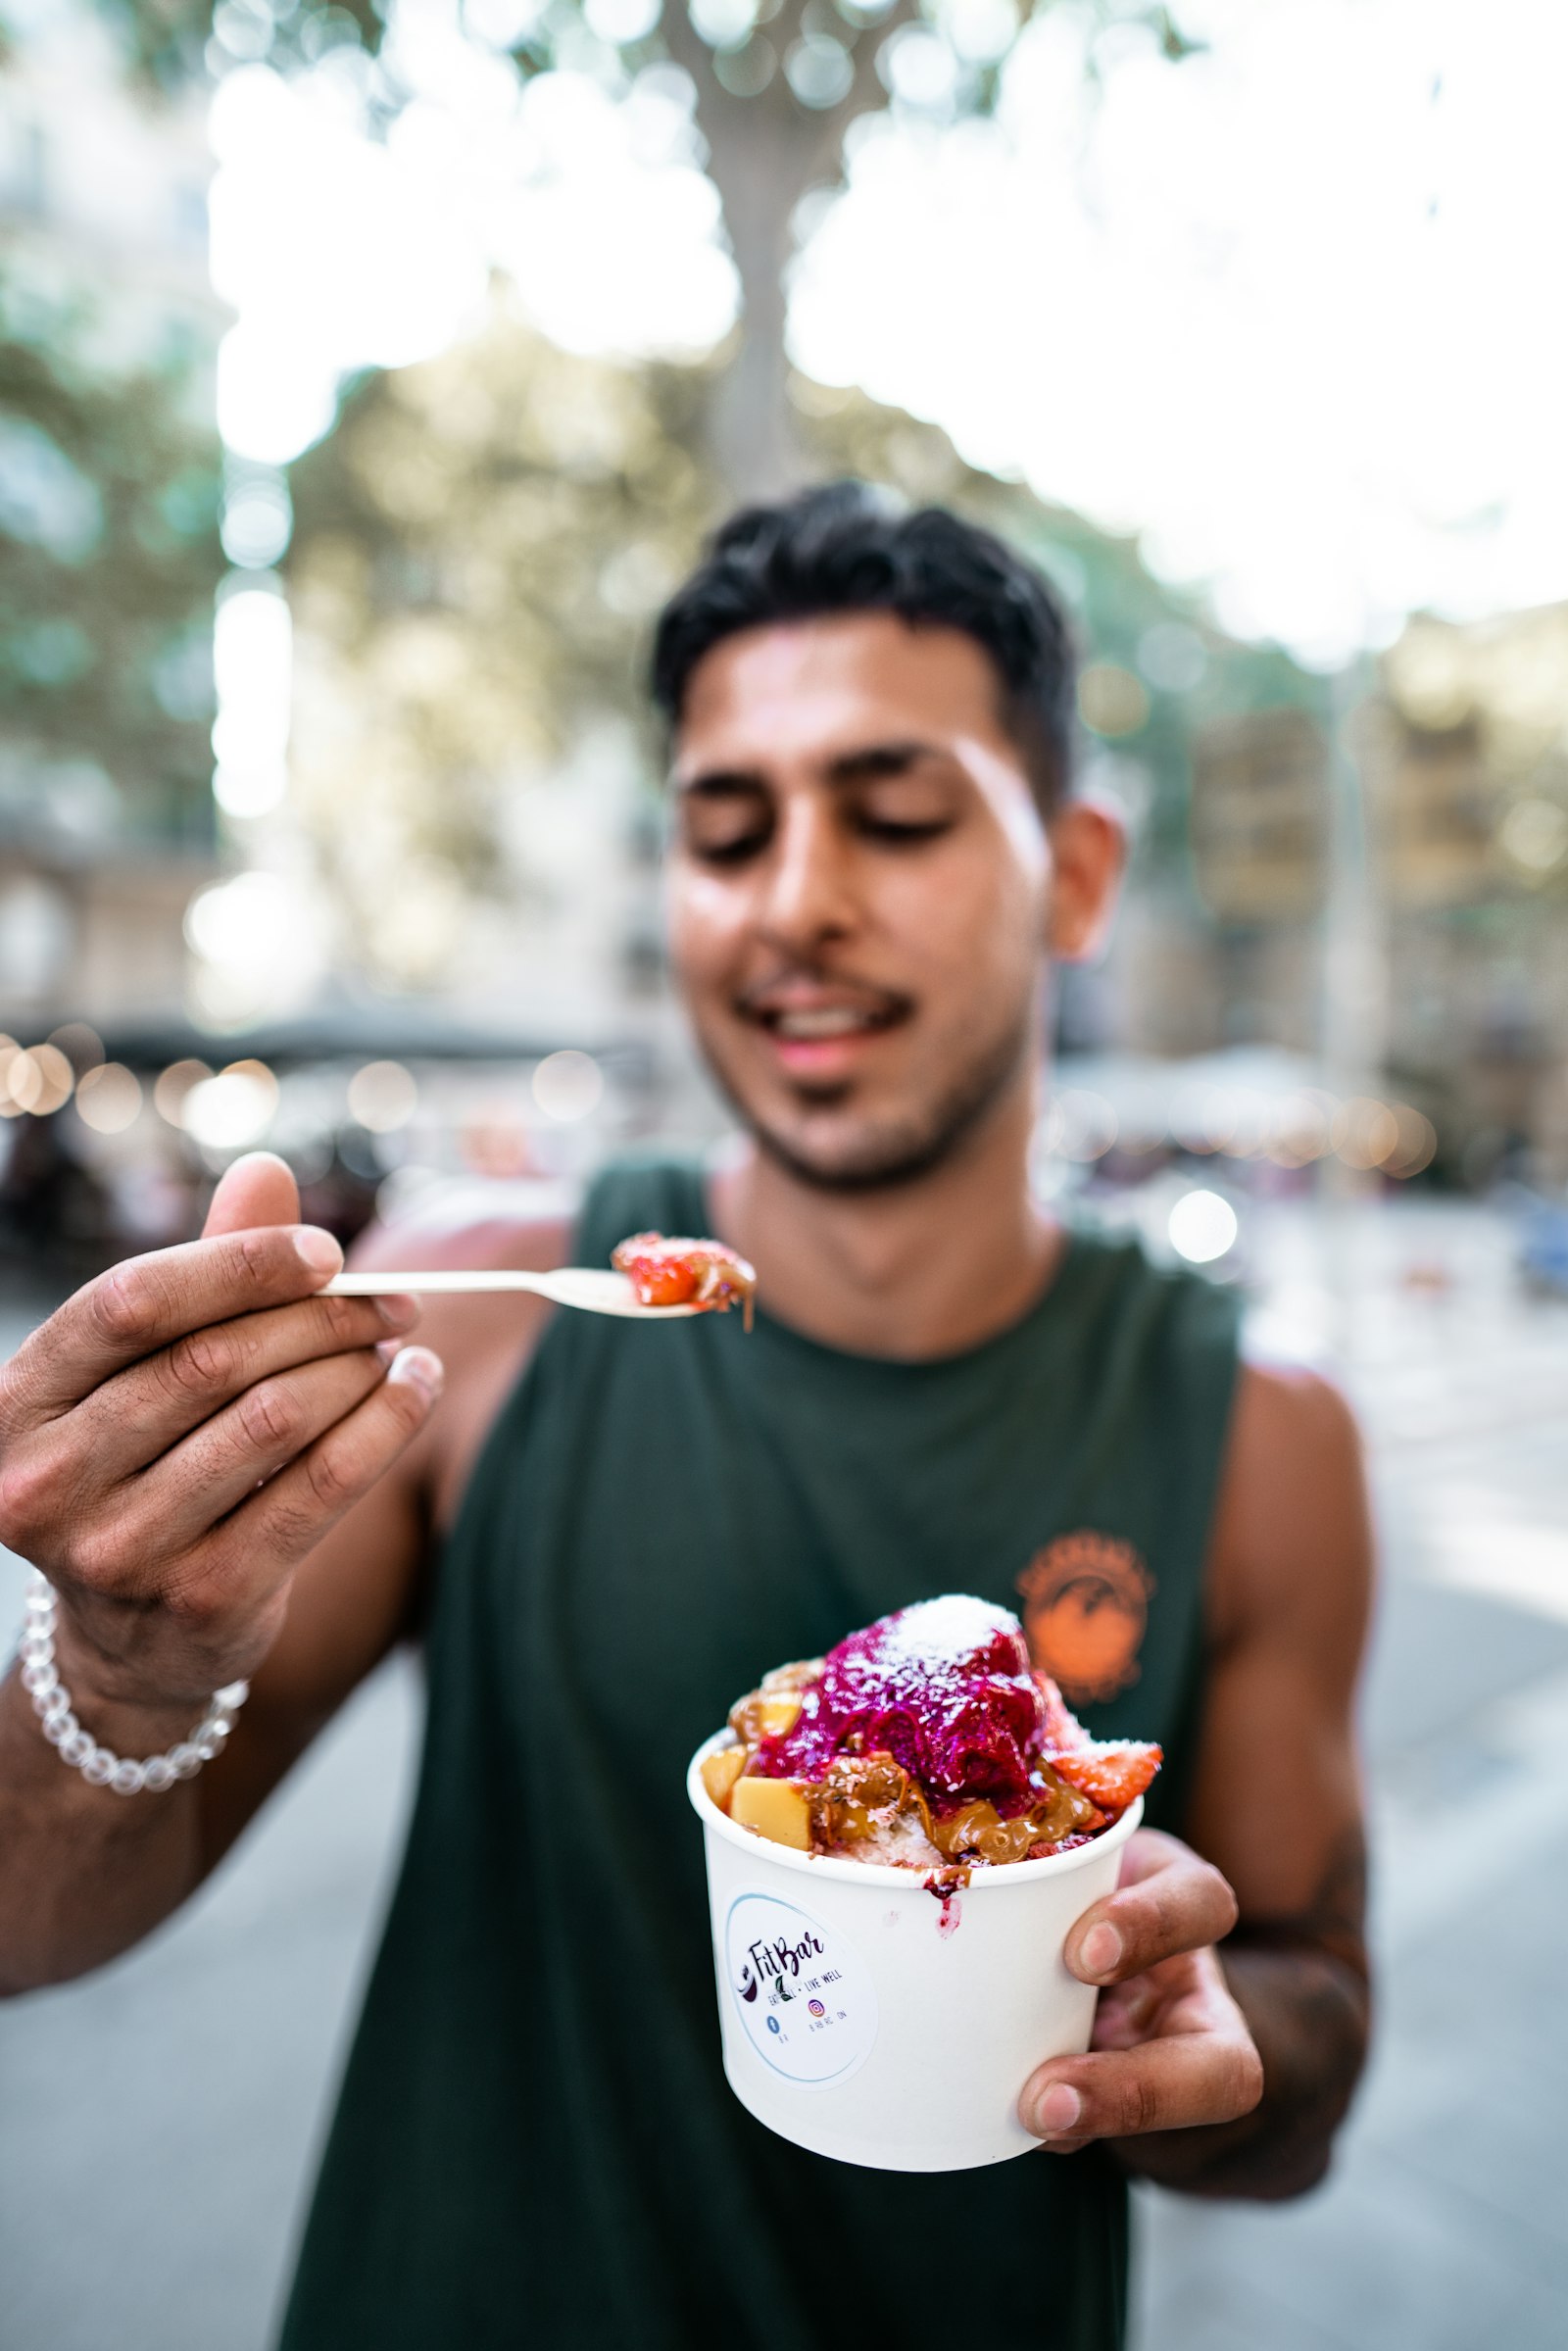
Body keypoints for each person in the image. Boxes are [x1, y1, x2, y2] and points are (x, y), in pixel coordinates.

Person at [0, 486, 1372, 2349]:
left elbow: (1313, 2034)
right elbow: (25, 1924)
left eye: (894, 816)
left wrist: (1202, 2033)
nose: (797, 899)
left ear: (1074, 871)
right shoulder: (466, 1323)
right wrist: (126, 1667)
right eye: (728, 832)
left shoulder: (1265, 1439)